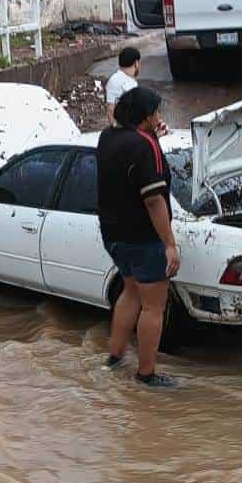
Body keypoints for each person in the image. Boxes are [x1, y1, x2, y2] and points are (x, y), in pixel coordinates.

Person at [97, 87, 179, 387]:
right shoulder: (145, 145)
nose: (159, 116)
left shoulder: (107, 137)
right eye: (156, 112)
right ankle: (146, 374)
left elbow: (131, 165)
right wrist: (170, 244)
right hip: (144, 238)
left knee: (130, 292)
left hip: (113, 234)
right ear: (146, 115)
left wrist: (153, 139)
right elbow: (154, 199)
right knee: (153, 306)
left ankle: (114, 357)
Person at [106, 46, 142, 125]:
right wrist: (116, 128)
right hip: (124, 127)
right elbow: (111, 108)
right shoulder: (115, 80)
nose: (140, 66)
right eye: (139, 63)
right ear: (136, 63)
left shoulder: (130, 81)